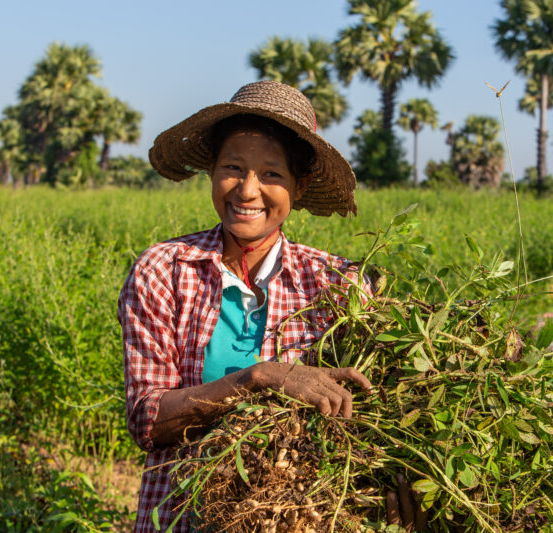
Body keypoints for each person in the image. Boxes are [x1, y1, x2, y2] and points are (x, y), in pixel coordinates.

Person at [119, 81, 420, 532]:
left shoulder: (340, 285)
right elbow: (149, 420)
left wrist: (396, 493)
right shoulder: (164, 270)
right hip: (181, 518)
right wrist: (260, 378)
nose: (247, 190)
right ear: (212, 172)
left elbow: (371, 419)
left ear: (300, 186)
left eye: (272, 174)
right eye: (232, 167)